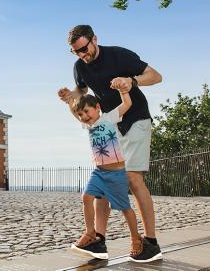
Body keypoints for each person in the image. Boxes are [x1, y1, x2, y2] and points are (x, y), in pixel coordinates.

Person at [59, 24, 163, 262]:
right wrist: (69, 97)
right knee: (105, 179)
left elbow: (156, 76)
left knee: (134, 178)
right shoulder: (79, 67)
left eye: (85, 49)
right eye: (77, 52)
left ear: (94, 39)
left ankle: (151, 242)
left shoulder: (118, 55)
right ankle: (98, 240)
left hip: (135, 118)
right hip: (109, 125)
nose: (83, 55)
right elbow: (82, 95)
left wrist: (132, 82)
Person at [59, 87, 143, 261]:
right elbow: (75, 114)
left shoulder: (108, 118)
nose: (84, 117)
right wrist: (69, 102)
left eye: (86, 112)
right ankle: (91, 233)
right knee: (86, 197)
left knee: (125, 209)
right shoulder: (87, 124)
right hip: (99, 172)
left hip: (117, 174)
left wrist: (123, 89)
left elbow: (127, 103)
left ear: (97, 107)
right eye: (81, 114)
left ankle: (136, 238)